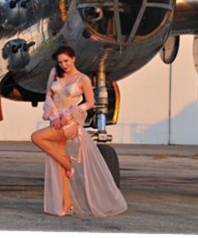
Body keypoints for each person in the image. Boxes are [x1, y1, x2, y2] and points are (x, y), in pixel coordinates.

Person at [31, 45, 127, 217]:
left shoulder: (83, 79)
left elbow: (89, 102)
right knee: (58, 166)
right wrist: (53, 116)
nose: (63, 65)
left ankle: (68, 163)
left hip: (71, 123)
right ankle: (66, 203)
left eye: (66, 61)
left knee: (36, 137)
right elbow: (48, 96)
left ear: (73, 59)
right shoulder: (54, 72)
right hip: (56, 121)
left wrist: (68, 114)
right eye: (60, 62)